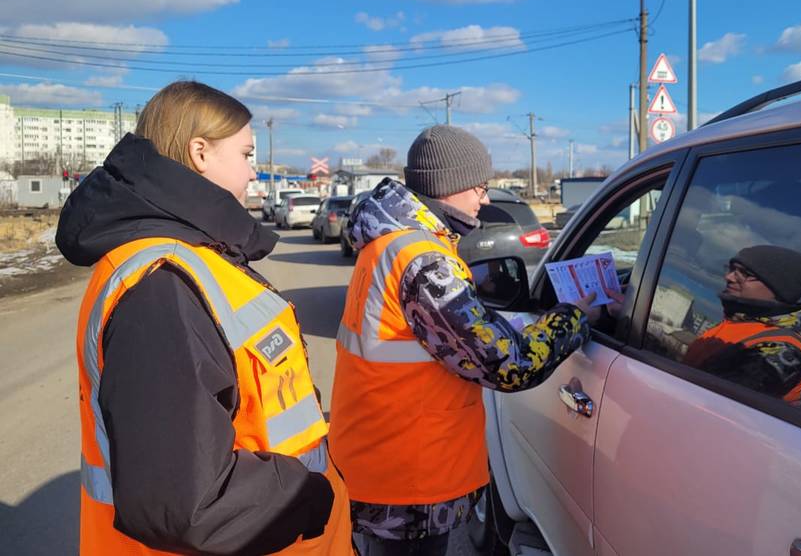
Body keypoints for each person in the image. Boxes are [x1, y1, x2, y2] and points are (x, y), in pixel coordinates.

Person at [56, 81, 353, 554]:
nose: (254, 173)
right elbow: (186, 501)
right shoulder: (161, 284)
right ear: (200, 153)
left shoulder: (195, 259)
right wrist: (313, 495)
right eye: (246, 154)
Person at [327, 125, 597, 555]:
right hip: (411, 477)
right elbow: (507, 363)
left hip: (379, 459)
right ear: (450, 186)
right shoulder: (425, 260)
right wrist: (574, 317)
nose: (485, 199)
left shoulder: (389, 245)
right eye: (480, 187)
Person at [682, 244, 801, 404]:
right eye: (732, 269)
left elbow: (717, 403)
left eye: (745, 273)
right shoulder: (740, 323)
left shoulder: (782, 350)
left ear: (779, 287)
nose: (729, 277)